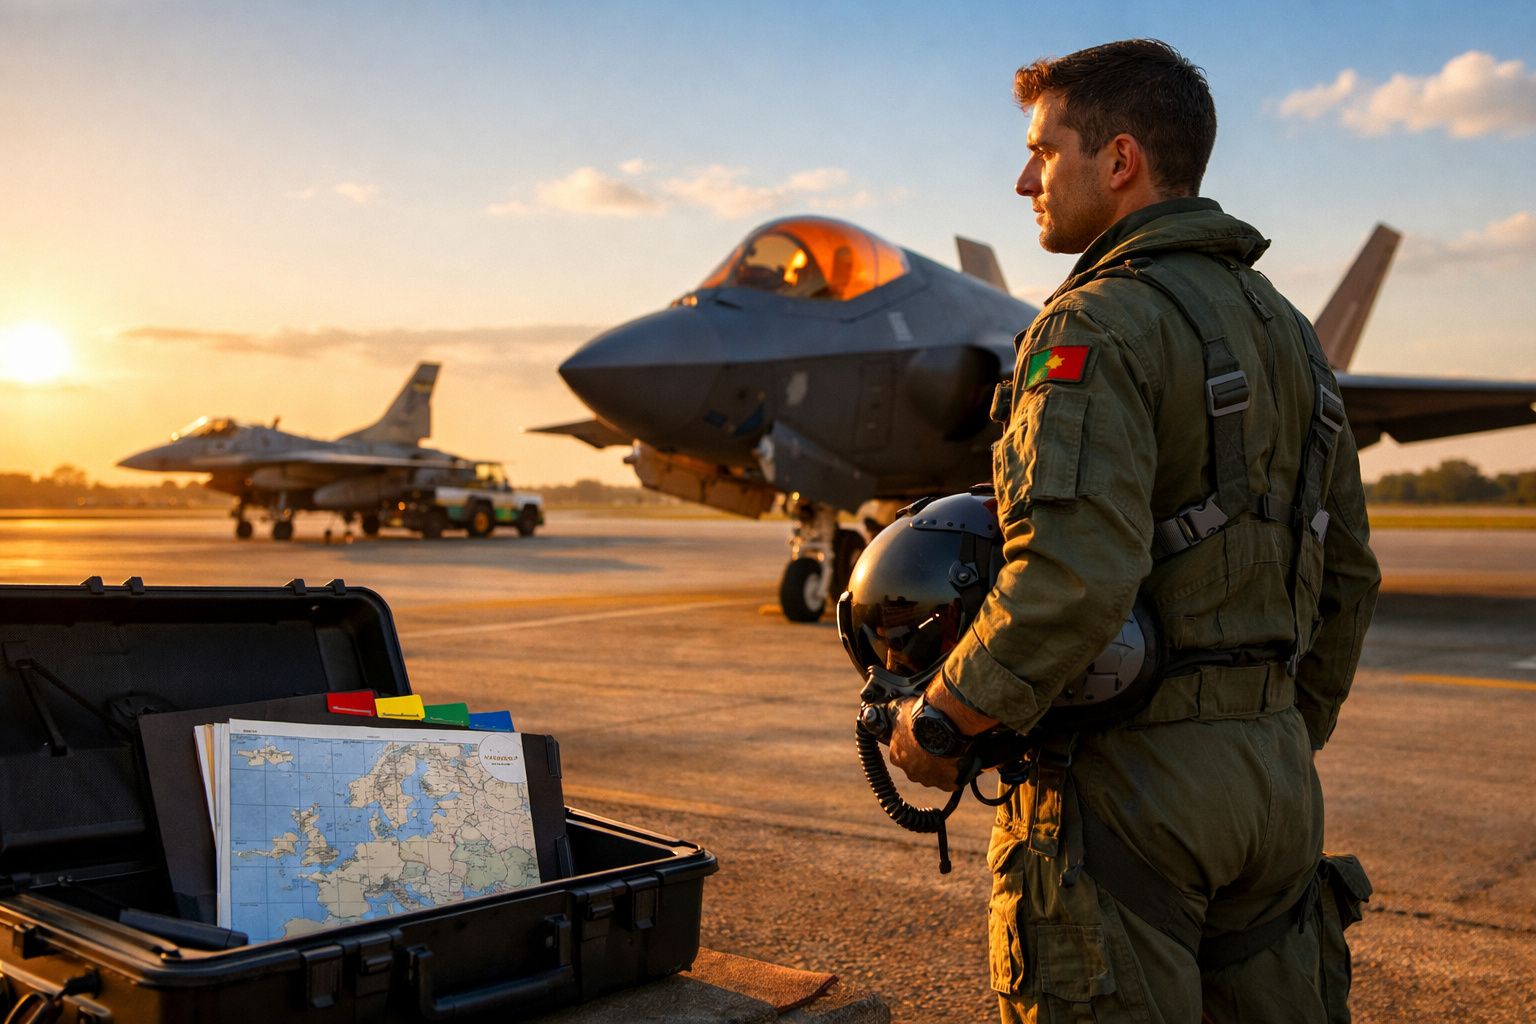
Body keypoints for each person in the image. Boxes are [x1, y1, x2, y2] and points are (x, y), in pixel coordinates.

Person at [884, 39, 1380, 1023]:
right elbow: (1349, 575)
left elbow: (1071, 575)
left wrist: (943, 718)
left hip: (1128, 789)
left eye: (1045, 150)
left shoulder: (1091, 327)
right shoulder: (1291, 332)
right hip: (1276, 783)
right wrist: (1274, 726)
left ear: (1119, 163)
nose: (1026, 177)